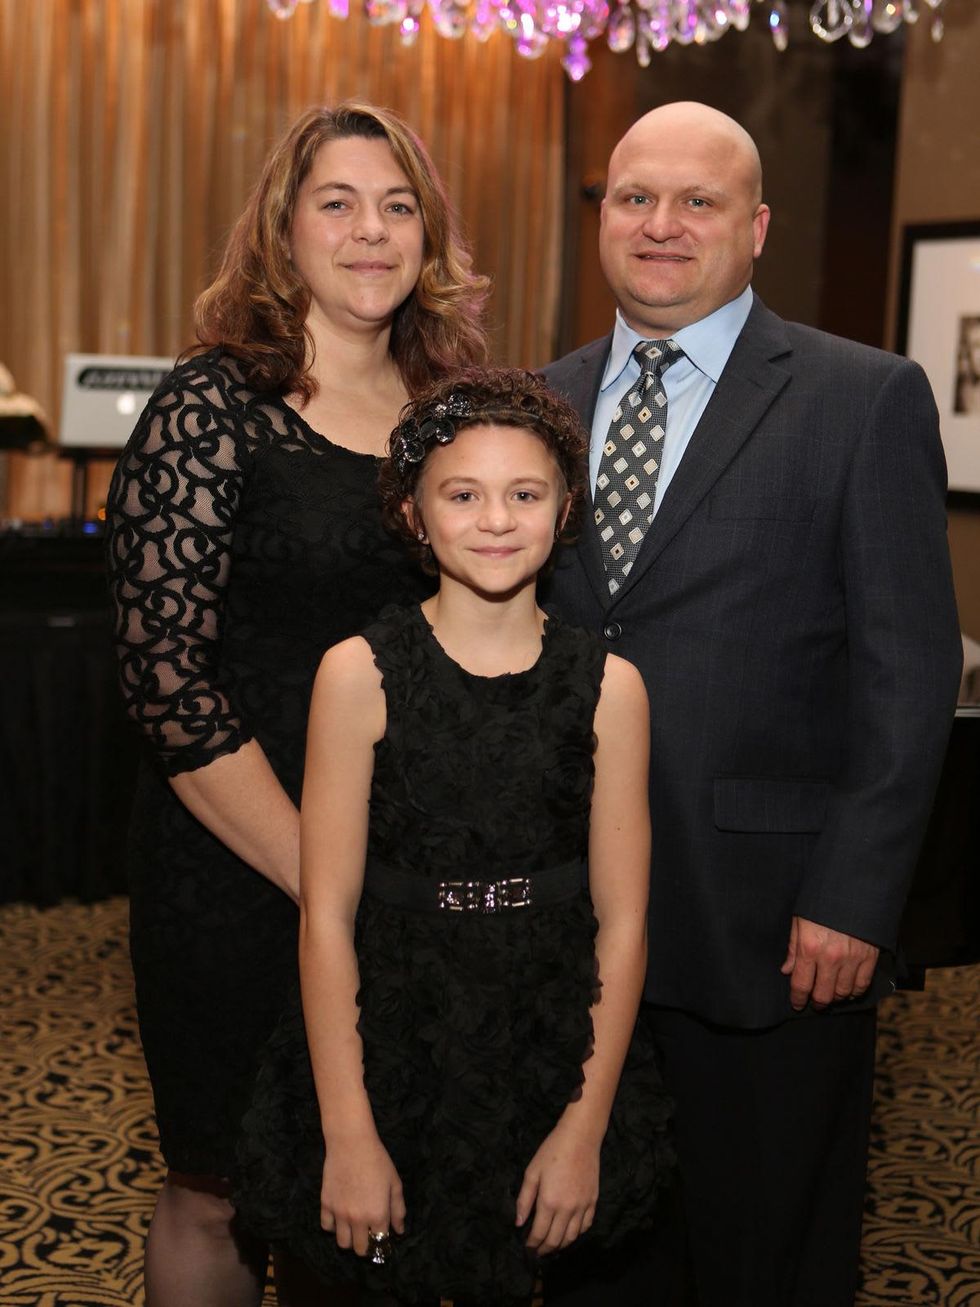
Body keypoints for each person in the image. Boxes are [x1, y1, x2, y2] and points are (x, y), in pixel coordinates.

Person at [540, 101, 962, 1307]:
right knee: (586, 1251)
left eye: (696, 201)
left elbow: (907, 666)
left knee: (762, 1249)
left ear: (756, 226)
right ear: (602, 217)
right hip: (564, 923)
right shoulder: (533, 402)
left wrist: (852, 895)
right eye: (633, 197)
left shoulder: (860, 397)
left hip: (775, 927)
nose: (658, 225)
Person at [104, 101, 488, 1307]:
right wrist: (328, 878)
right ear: (284, 228)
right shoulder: (212, 404)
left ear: (429, 235)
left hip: (413, 878)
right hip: (236, 865)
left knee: (379, 1180)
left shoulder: (457, 413)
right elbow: (166, 682)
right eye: (338, 203)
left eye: (397, 205)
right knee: (217, 1185)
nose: (371, 232)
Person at [233, 368, 674, 1305]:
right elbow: (327, 914)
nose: (495, 518)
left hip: (546, 1039)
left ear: (565, 513)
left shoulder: (612, 686)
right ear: (412, 514)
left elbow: (625, 921)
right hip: (389, 1034)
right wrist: (349, 1132)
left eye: (525, 493)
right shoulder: (357, 674)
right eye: (462, 494)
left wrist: (584, 1127)